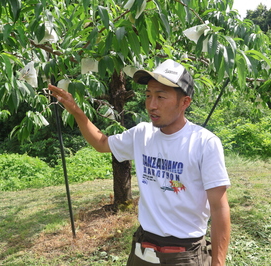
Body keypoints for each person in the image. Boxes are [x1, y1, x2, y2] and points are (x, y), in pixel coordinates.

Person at [48, 59, 231, 266]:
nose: (152, 105)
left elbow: (219, 209)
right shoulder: (142, 134)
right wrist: (77, 112)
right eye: (148, 95)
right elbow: (102, 143)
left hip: (184, 254)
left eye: (161, 97)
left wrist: (218, 262)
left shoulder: (204, 143)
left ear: (184, 102)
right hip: (143, 248)